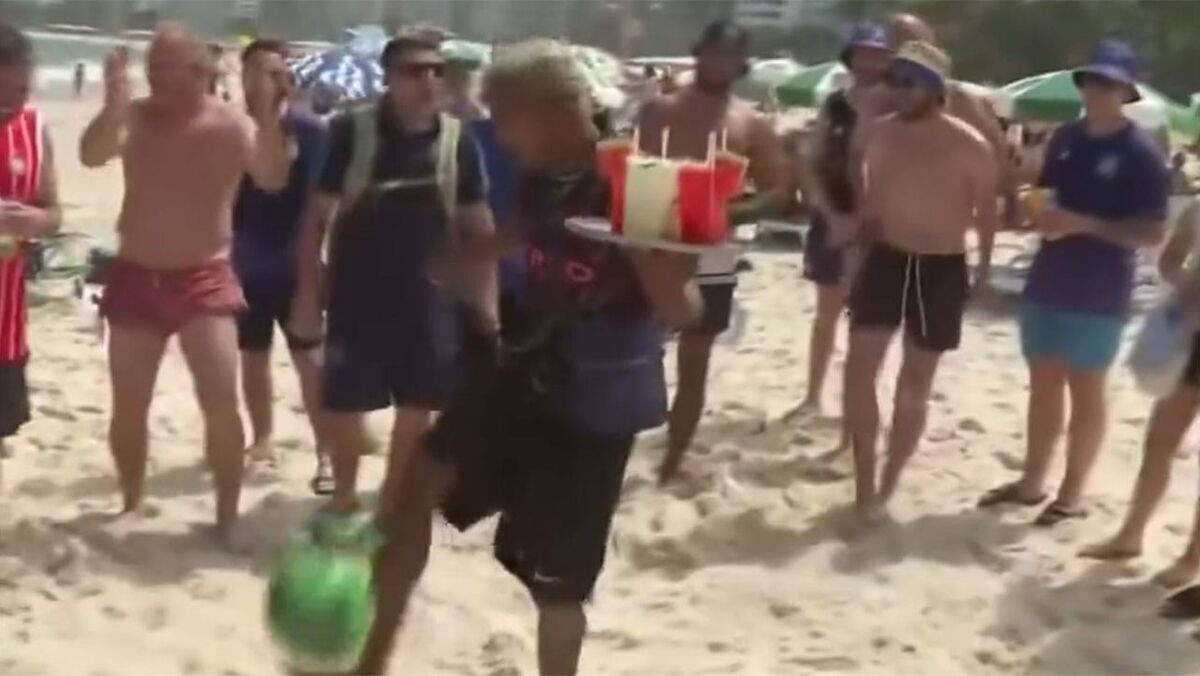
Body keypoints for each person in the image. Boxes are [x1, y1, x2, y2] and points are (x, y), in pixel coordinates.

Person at [352, 39, 702, 675]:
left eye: (503, 115)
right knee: (416, 485)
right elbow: (518, 234)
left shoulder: (649, 181)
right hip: (523, 365)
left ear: (549, 110)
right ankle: (370, 662)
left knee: (559, 584)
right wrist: (456, 262)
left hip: (597, 397)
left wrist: (646, 249)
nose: (499, 134)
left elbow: (685, 312)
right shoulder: (543, 175)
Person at [79, 23, 290, 539]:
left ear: (199, 72)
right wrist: (111, 105)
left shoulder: (229, 124)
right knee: (130, 404)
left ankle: (227, 517)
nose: (154, 76)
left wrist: (268, 116)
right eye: (151, 65)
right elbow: (91, 154)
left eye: (165, 66)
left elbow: (272, 177)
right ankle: (131, 502)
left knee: (220, 401)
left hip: (203, 278)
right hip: (135, 273)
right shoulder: (136, 116)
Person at [288, 32, 493, 515]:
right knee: (345, 404)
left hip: (430, 301)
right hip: (356, 295)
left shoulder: (458, 141)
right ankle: (343, 495)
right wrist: (306, 294)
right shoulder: (351, 132)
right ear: (388, 78)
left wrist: (486, 306)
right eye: (414, 71)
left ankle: (390, 502)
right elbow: (316, 219)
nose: (429, 80)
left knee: (418, 407)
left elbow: (479, 229)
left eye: (437, 70)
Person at [979, 41, 1170, 526]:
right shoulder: (1066, 137)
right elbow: (1047, 193)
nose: (1097, 90)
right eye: (1091, 80)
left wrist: (1084, 224)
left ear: (1126, 91)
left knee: (1087, 390)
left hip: (1100, 287)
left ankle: (1072, 493)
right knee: (1043, 385)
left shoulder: (1141, 153)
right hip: (1049, 276)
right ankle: (1031, 482)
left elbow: (1153, 233)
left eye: (1108, 83)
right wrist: (1032, 211)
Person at [844, 41, 998, 525]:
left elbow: (987, 212)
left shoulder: (968, 144)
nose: (900, 91)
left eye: (910, 82)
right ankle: (864, 484)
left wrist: (984, 268)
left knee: (914, 384)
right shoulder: (880, 134)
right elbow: (872, 194)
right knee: (858, 372)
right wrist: (857, 242)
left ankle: (888, 485)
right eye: (895, 81)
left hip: (941, 266)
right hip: (887, 258)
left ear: (934, 88)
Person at [638, 20, 786, 485]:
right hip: (650, 240)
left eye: (730, 54)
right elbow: (624, 171)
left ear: (741, 64)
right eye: (714, 51)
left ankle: (671, 463)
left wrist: (732, 212)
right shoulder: (658, 110)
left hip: (713, 250)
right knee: (633, 350)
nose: (720, 61)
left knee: (695, 361)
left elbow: (779, 190)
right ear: (698, 52)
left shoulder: (750, 122)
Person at [1080, 197, 1200, 586]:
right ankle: (1130, 535)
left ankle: (1192, 559)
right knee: (1159, 442)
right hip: (1189, 339)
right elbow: (1170, 259)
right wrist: (1186, 284)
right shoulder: (1197, 209)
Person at [230, 39, 331, 493]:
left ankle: (326, 452)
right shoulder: (232, 127)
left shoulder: (309, 131)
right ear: (242, 76)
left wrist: (314, 272)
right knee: (253, 357)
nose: (264, 82)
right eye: (256, 72)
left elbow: (317, 205)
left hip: (295, 266)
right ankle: (263, 440)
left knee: (309, 361)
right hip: (244, 265)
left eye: (274, 73)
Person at [792, 21, 890, 423]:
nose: (869, 62)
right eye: (863, 53)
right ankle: (813, 396)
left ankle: (855, 405)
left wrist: (860, 220)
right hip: (830, 216)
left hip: (877, 224)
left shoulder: (895, 105)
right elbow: (811, 161)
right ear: (850, 57)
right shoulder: (835, 104)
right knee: (826, 315)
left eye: (877, 55)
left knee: (864, 323)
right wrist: (832, 215)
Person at [886, 12, 1015, 251]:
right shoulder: (878, 97)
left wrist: (1011, 197)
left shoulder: (958, 99)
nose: (904, 51)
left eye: (911, 42)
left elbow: (996, 147)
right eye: (895, 44)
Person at [0, 23, 61, 461]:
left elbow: (53, 212)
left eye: (21, 91)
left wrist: (37, 220)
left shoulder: (33, 128)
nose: (12, 104)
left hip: (6, 322)